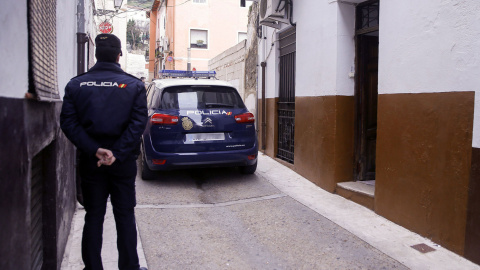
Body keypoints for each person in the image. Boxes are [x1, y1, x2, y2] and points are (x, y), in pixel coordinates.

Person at [60, 33, 148, 270]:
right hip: (122, 163)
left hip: (92, 163)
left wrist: (95, 150)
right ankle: (130, 267)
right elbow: (138, 123)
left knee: (94, 216)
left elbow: (68, 123)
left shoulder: (76, 84)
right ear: (119, 55)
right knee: (125, 216)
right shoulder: (134, 86)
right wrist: (116, 153)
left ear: (96, 55)